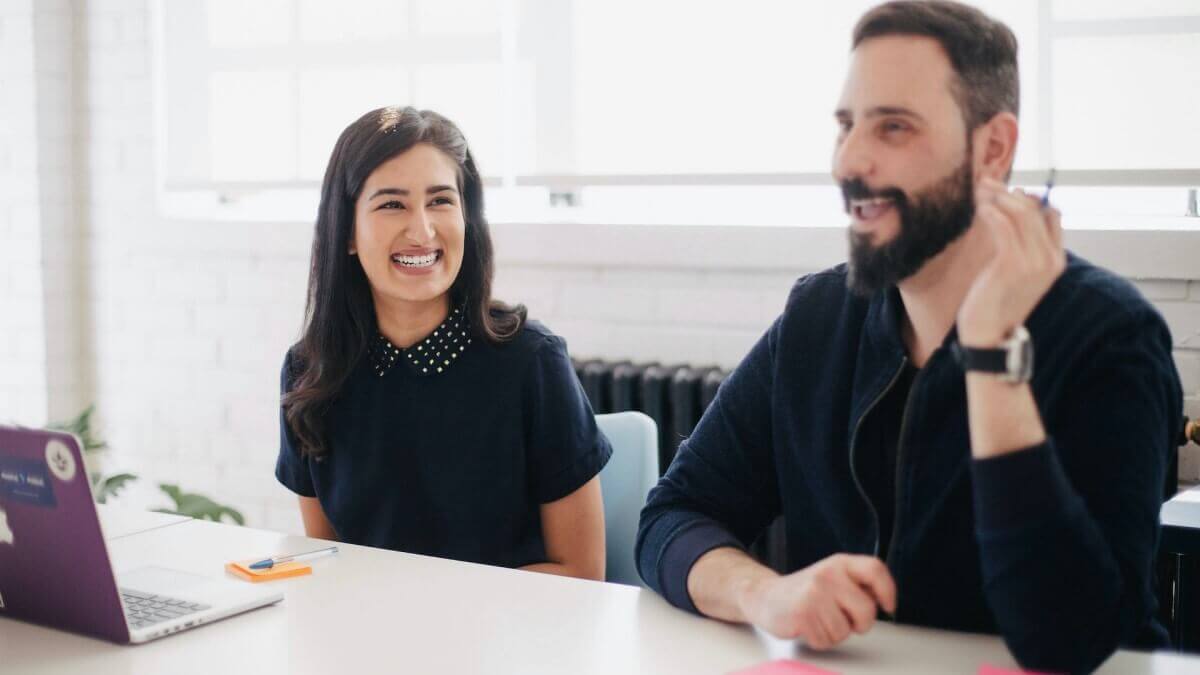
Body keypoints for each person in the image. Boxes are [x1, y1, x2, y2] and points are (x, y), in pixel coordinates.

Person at [635, 2, 1181, 672]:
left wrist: (992, 355)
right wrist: (765, 593)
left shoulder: (1112, 338)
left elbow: (1072, 643)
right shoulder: (818, 316)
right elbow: (672, 516)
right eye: (846, 126)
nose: (850, 160)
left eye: (893, 127)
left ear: (993, 149)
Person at [277, 106, 611, 581]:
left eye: (440, 201)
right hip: (370, 622)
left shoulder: (531, 361)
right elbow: (330, 561)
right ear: (347, 231)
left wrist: (429, 606)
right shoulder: (309, 372)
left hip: (513, 625)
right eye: (392, 205)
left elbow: (582, 572)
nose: (422, 231)